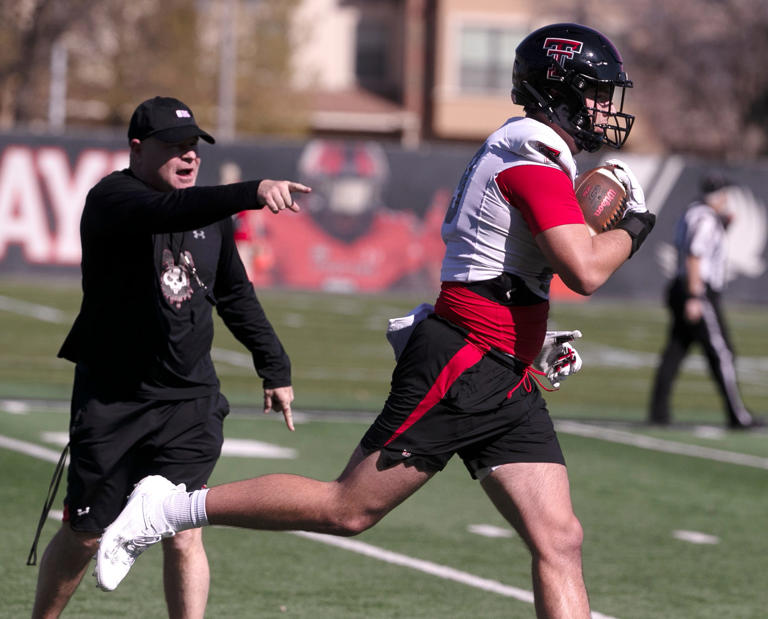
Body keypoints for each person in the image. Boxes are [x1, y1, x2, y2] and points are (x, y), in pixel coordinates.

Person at [95, 24, 655, 618]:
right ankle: (169, 508)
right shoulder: (531, 155)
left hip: (501, 365)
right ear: (557, 89)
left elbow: (502, 267)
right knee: (348, 508)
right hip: (465, 361)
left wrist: (532, 341)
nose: (603, 107)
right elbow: (584, 271)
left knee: (560, 538)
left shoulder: (531, 151)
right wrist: (634, 227)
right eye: (594, 91)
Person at [30, 95, 310, 619]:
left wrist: (274, 365)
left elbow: (236, 295)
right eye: (175, 147)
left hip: (189, 400)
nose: (189, 157)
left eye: (194, 147)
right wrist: (252, 191)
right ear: (138, 149)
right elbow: (168, 210)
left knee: (183, 532)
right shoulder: (113, 199)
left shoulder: (210, 217)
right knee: (85, 534)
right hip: (115, 400)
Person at [649, 173, 764, 429]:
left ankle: (658, 411)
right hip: (697, 290)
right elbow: (695, 257)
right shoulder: (705, 219)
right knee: (721, 353)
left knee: (676, 351)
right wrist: (695, 296)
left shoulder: (694, 212)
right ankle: (738, 415)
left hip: (684, 288)